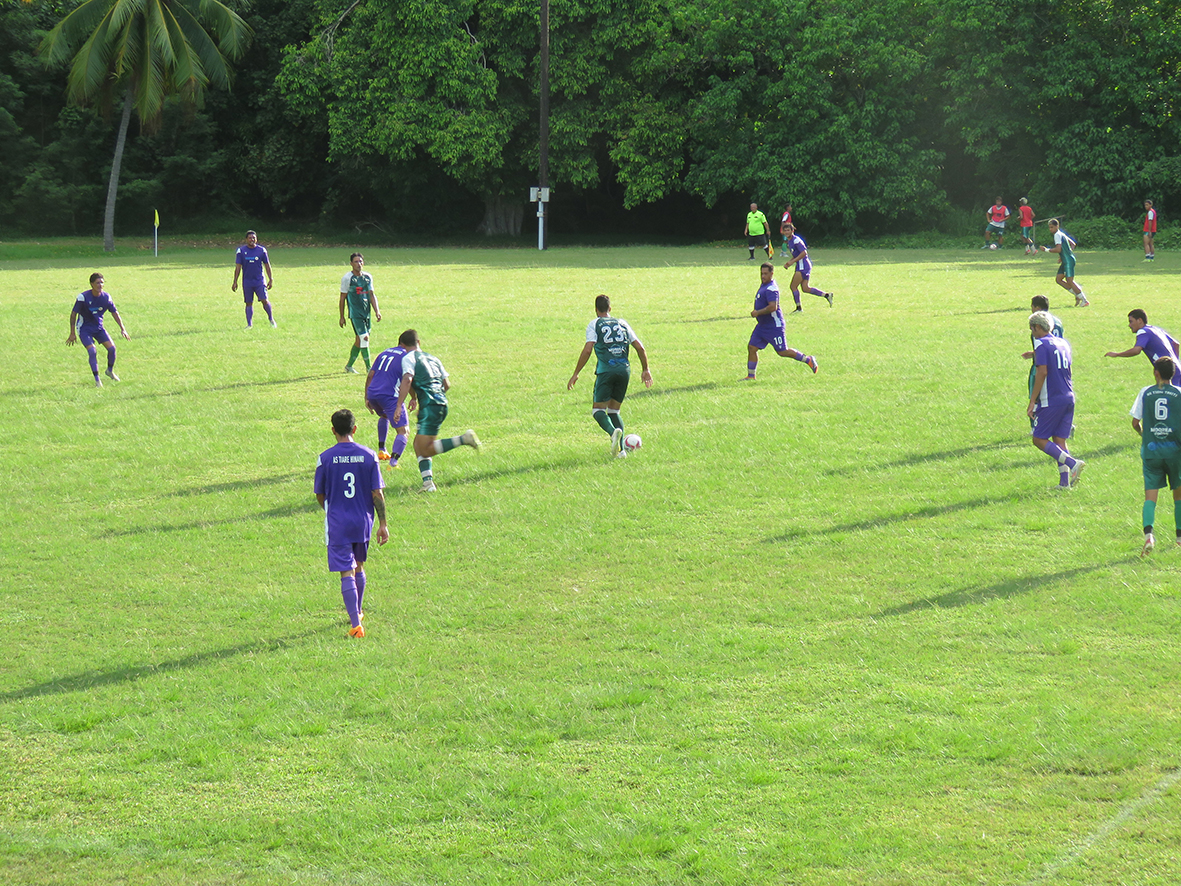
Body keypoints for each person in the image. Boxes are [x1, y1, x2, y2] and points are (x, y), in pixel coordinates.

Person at [314, 408, 389, 638]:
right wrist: (383, 523)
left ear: (333, 430)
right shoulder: (369, 456)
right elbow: (377, 494)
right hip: (362, 521)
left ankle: (356, 625)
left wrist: (331, 510)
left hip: (338, 522)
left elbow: (319, 494)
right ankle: (358, 611)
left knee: (346, 571)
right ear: (354, 429)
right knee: (359, 566)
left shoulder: (325, 458)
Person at [390, 329, 480, 492]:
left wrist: (399, 405)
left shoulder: (408, 358)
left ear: (402, 346)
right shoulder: (433, 358)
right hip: (440, 403)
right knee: (418, 444)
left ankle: (464, 439)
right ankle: (428, 483)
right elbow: (447, 384)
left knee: (426, 448)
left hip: (430, 406)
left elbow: (407, 379)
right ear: (419, 342)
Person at [567, 294, 653, 458]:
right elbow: (640, 348)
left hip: (606, 371)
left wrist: (576, 373)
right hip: (624, 370)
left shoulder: (594, 324)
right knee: (614, 411)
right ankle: (621, 451)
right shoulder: (622, 323)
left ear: (596, 310)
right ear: (610, 308)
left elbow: (588, 349)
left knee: (598, 410)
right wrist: (645, 369)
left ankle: (613, 432)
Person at [1027, 311, 1085, 490]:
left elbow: (1042, 372)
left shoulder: (1041, 344)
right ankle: (1064, 483)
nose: (1032, 333)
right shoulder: (1063, 343)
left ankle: (1073, 463)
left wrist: (1032, 400)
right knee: (1059, 440)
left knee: (1038, 439)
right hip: (1068, 395)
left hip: (1051, 398)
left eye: (1032, 329)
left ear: (1037, 327)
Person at [1129, 356, 1181, 555]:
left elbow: (1135, 422)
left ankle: (1149, 535)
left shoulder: (1146, 392)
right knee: (1178, 495)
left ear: (1155, 373)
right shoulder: (1179, 393)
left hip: (1152, 451)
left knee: (1150, 495)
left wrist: (1144, 434)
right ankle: (1179, 538)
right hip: (1175, 452)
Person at [743, 262, 817, 380]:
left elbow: (773, 307)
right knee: (752, 347)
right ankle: (751, 376)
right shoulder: (764, 285)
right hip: (762, 325)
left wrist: (758, 312)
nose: (763, 276)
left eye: (765, 274)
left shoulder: (771, 289)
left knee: (782, 351)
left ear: (772, 274)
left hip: (774, 326)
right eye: (761, 273)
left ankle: (808, 359)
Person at [66, 272, 130, 387]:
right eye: (97, 283)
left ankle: (109, 371)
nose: (100, 285)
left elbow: (114, 313)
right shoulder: (83, 297)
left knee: (112, 348)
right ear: (91, 284)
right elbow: (73, 314)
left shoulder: (106, 297)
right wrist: (72, 333)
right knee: (92, 351)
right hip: (85, 328)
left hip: (98, 328)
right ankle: (97, 380)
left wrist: (122, 328)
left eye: (102, 282)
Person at [364, 337, 413, 467]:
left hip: (373, 393)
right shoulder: (407, 357)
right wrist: (414, 398)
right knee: (403, 431)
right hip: (390, 395)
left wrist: (367, 397)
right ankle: (393, 463)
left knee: (384, 415)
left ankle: (382, 450)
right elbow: (408, 381)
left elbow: (370, 375)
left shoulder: (384, 352)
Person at [1104, 310, 1181, 385]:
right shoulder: (1156, 329)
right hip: (1176, 368)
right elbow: (1176, 344)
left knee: (1169, 392)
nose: (1129, 325)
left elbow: (1136, 350)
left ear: (1140, 320)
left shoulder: (1143, 331)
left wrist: (1117, 354)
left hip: (1167, 373)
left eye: (1131, 321)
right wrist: (1174, 361)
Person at [339, 252, 382, 374]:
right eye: (356, 262)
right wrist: (342, 316)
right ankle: (369, 368)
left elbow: (371, 295)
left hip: (366, 313)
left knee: (359, 340)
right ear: (351, 264)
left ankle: (349, 366)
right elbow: (342, 298)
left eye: (360, 261)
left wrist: (377, 311)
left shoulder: (367, 277)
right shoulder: (347, 278)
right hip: (355, 313)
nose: (359, 264)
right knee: (364, 338)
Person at [1022, 296, 1063, 413]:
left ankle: (1036, 420)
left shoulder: (1038, 324)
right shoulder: (1058, 322)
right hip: (1059, 365)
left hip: (1042, 365)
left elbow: (1042, 345)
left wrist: (1036, 355)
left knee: (1037, 398)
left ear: (1037, 307)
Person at [781, 223, 833, 312]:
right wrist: (789, 262)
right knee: (805, 288)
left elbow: (804, 253)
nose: (786, 232)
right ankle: (827, 295)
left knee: (793, 286)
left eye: (788, 230)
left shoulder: (796, 240)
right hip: (803, 265)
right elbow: (796, 254)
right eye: (785, 230)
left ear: (792, 231)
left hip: (803, 266)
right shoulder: (790, 241)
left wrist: (792, 261)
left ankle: (799, 308)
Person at [231, 230, 276, 328]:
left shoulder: (261, 250)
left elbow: (267, 265)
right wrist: (235, 281)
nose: (252, 239)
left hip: (259, 280)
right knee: (248, 303)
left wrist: (270, 278)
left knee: (264, 300)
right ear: (246, 239)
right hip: (247, 281)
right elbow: (238, 267)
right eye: (250, 238)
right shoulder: (241, 251)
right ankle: (249, 324)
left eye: (254, 238)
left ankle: (271, 319)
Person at [1042, 219, 1088, 306]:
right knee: (1059, 279)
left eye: (1052, 227)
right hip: (1066, 260)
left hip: (1068, 261)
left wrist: (1046, 250)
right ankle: (1077, 294)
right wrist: (1064, 254)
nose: (1050, 229)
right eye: (1049, 227)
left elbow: (1058, 249)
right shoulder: (1061, 234)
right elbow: (1073, 244)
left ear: (1057, 226)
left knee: (1069, 280)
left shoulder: (1057, 235)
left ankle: (1084, 300)